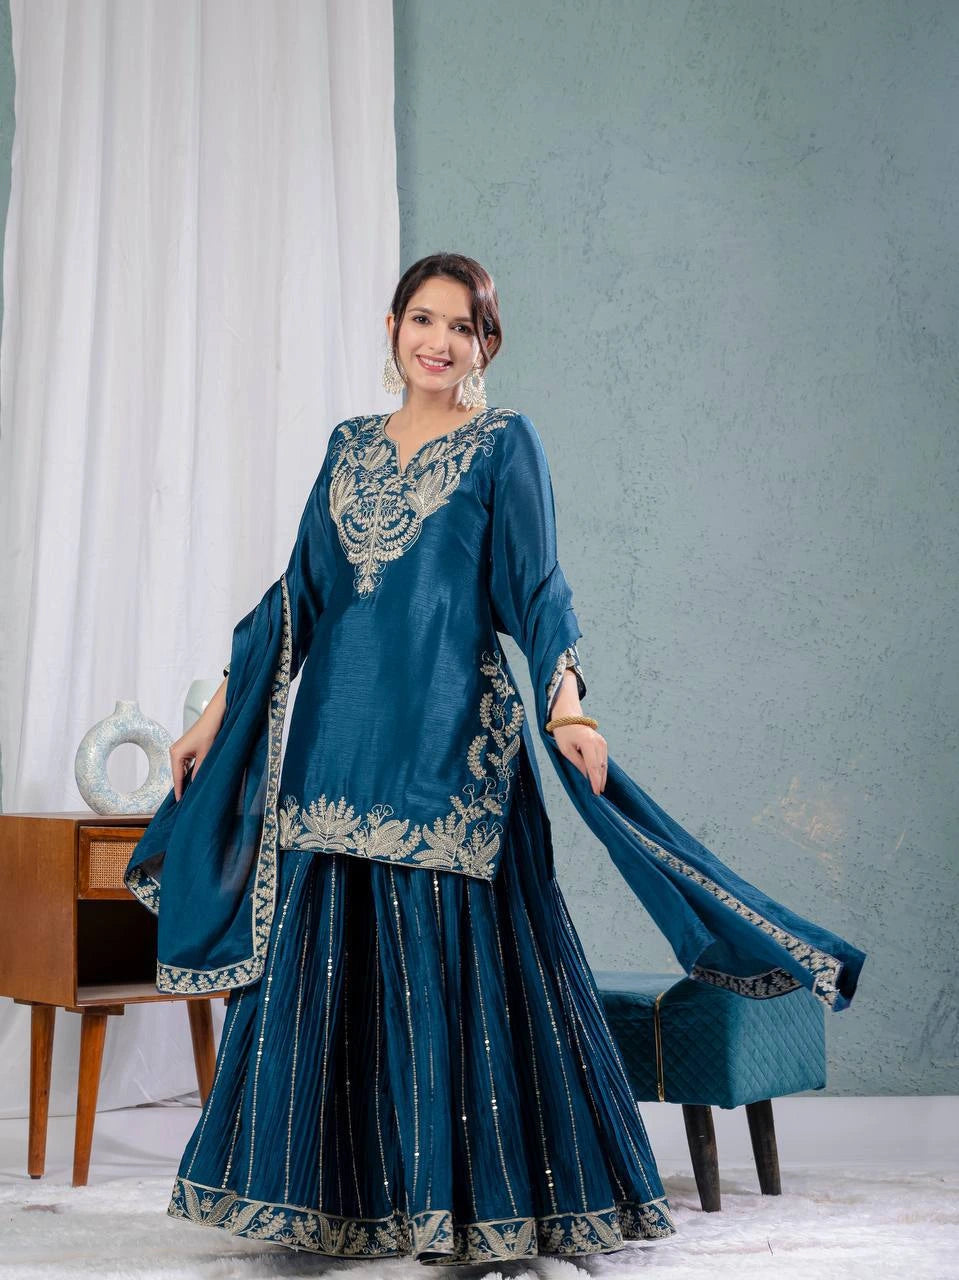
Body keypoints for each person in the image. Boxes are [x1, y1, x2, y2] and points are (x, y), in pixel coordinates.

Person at [125, 251, 865, 1265]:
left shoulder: (503, 445)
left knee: (454, 973)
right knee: (329, 975)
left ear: (487, 343)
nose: (438, 342)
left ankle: (480, 1217)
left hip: (451, 751)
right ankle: (327, 1208)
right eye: (421, 320)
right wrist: (217, 709)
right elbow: (299, 588)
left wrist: (568, 707)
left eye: (461, 327)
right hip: (336, 749)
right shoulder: (346, 447)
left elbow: (539, 586)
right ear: (390, 327)